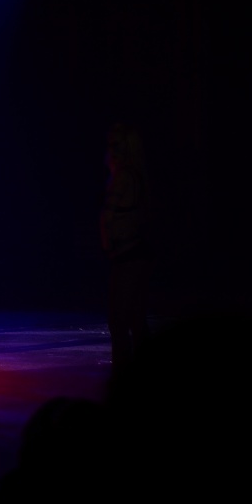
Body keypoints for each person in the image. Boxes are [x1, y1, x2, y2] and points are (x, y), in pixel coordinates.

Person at [99, 122, 152, 369]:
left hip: (128, 253)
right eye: (110, 144)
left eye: (116, 144)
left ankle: (124, 371)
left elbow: (109, 217)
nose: (111, 150)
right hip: (131, 252)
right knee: (134, 317)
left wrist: (109, 242)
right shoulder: (131, 175)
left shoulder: (124, 177)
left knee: (121, 318)